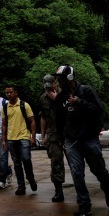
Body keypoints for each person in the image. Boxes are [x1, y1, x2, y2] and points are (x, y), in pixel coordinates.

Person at [50, 65, 109, 216]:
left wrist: (80, 102)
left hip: (89, 138)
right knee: (77, 172)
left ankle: (107, 187)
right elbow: (58, 120)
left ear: (69, 78)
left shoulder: (86, 91)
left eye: (61, 78)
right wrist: (61, 138)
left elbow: (99, 109)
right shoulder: (60, 97)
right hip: (71, 141)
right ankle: (84, 205)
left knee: (98, 169)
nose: (58, 81)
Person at [1, 85, 37, 196]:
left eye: (10, 92)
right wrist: (3, 139)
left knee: (26, 159)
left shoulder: (24, 105)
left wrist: (33, 137)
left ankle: (30, 178)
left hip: (24, 136)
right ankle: (21, 186)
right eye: (7, 93)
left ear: (16, 93)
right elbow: (4, 124)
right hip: (11, 138)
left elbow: (32, 121)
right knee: (17, 163)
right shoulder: (5, 107)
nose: (8, 94)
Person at [39, 74, 65, 202]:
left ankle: (80, 189)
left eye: (51, 86)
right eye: (46, 87)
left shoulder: (65, 95)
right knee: (56, 163)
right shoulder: (43, 98)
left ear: (56, 83)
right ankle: (58, 191)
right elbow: (43, 117)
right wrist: (43, 136)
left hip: (67, 135)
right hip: (53, 136)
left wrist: (56, 98)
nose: (48, 89)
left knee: (76, 164)